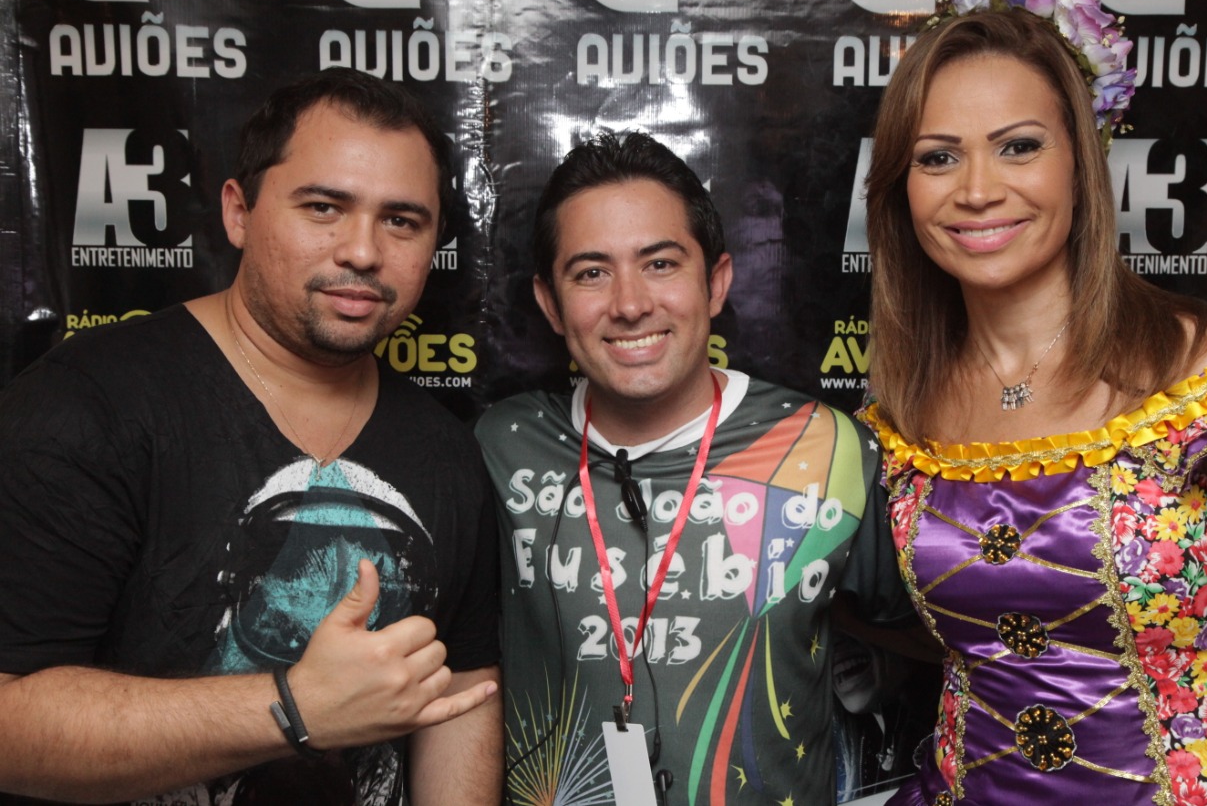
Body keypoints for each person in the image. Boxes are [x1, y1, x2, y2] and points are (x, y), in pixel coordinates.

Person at [0, 68, 501, 805]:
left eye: (401, 220)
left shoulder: (446, 452)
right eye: (324, 207)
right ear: (239, 212)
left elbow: (459, 697)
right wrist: (294, 708)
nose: (363, 251)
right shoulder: (87, 404)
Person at [858, 0, 1207, 805]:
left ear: (1082, 164)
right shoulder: (907, 407)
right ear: (901, 188)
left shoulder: (1205, 372)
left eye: (1019, 146)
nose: (979, 190)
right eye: (939, 157)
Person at [474, 130, 915, 805]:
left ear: (716, 282)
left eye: (660, 264)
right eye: (591, 273)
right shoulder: (501, 445)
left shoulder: (828, 447)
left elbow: (941, 637)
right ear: (549, 303)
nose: (630, 303)